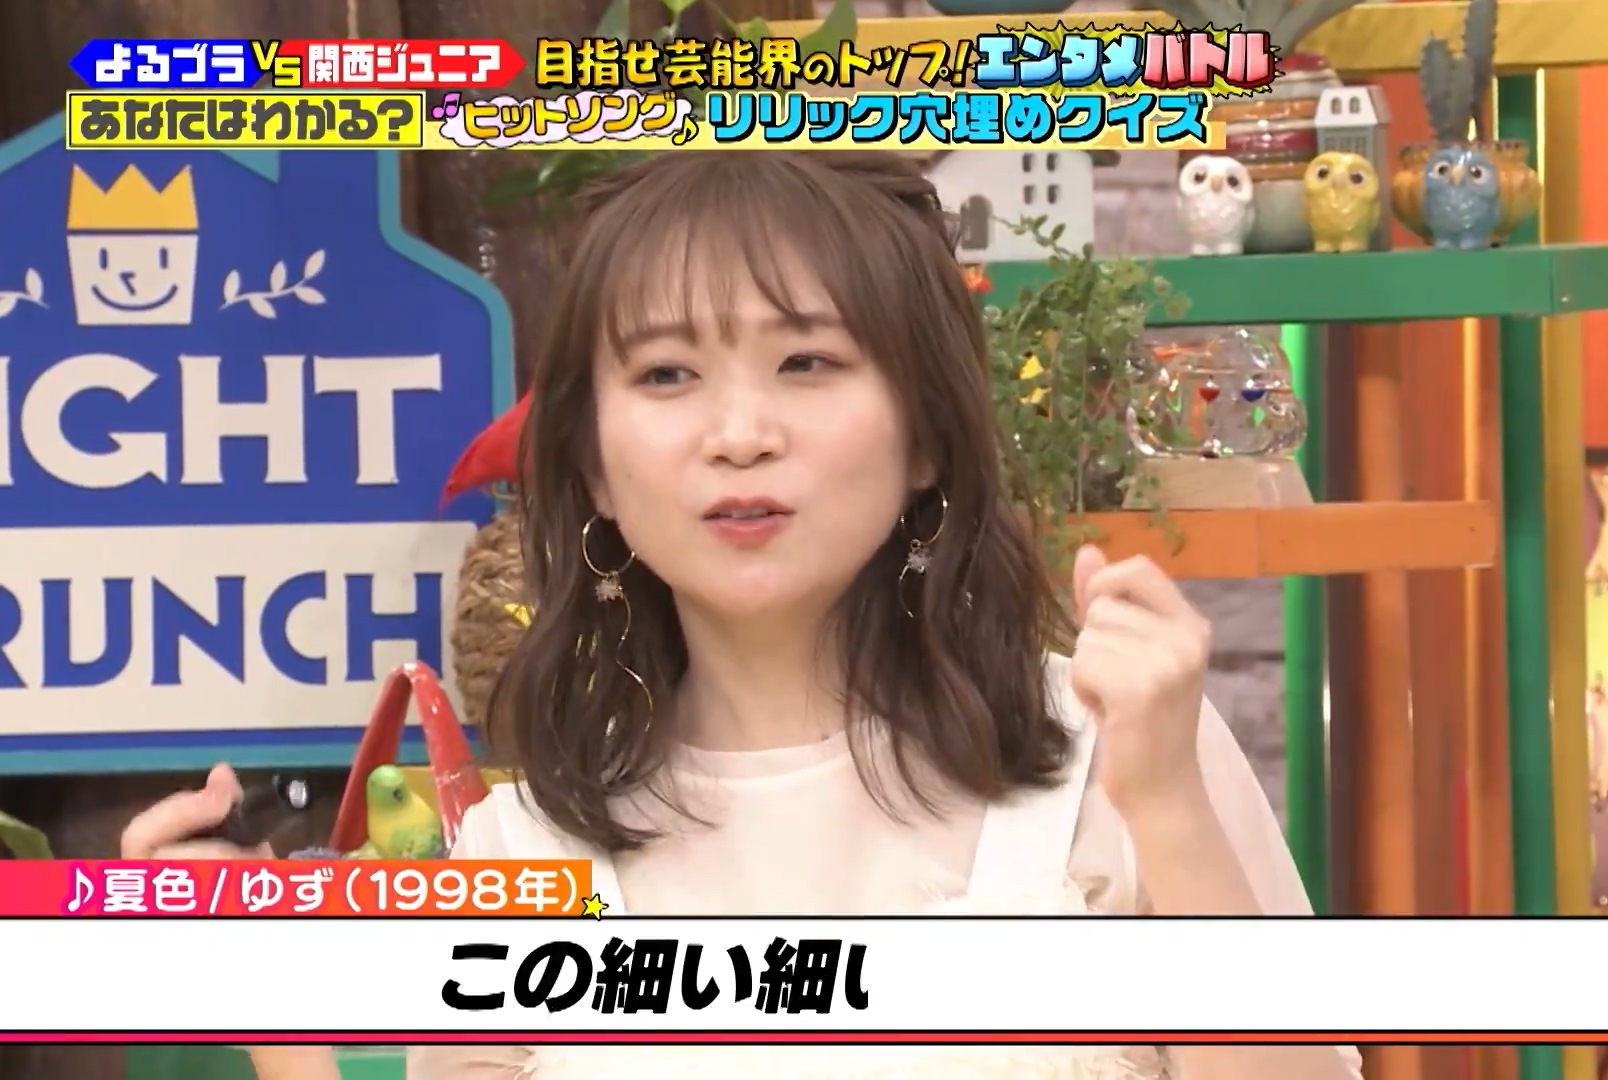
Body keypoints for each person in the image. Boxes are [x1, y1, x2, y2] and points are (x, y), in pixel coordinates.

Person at [121, 151, 1363, 1080]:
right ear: (593, 465)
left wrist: (1171, 813)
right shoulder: (520, 851)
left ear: (928, 433)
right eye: (667, 373)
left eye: (806, 362)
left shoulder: (1120, 757)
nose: (739, 433)